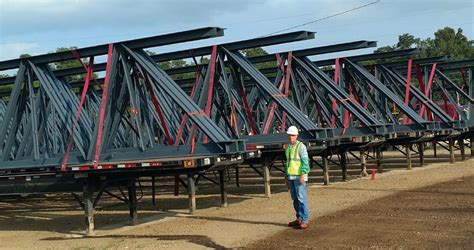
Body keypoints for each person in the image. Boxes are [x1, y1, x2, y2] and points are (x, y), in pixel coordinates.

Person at [285, 125, 310, 229]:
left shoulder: (301, 147)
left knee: (301, 198)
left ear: (296, 136)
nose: (291, 137)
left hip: (299, 176)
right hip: (291, 176)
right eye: (290, 135)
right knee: (295, 198)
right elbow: (288, 162)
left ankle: (305, 220)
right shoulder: (288, 147)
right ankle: (299, 218)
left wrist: (303, 174)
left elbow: (305, 162)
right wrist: (286, 175)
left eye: (293, 135)